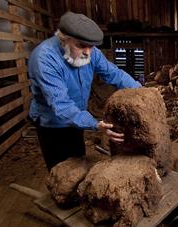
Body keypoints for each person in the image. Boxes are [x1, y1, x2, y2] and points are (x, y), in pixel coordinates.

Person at [28, 11, 142, 171]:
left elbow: (113, 73)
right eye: (81, 45)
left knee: (78, 162)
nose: (88, 52)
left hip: (77, 119)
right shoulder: (44, 59)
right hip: (52, 124)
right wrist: (94, 124)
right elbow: (61, 106)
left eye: (91, 46)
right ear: (64, 40)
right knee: (60, 172)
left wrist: (141, 91)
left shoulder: (90, 51)